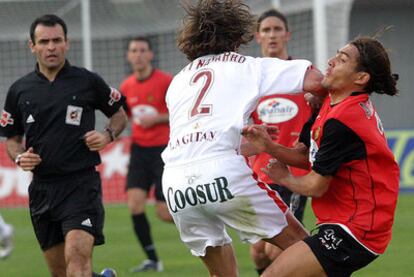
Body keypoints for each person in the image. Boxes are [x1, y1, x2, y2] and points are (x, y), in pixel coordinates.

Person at [160, 1, 326, 276]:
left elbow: (198, 140)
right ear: (237, 33)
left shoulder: (177, 81)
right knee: (309, 252)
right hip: (224, 175)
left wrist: (247, 145)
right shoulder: (246, 66)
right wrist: (319, 96)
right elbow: (316, 81)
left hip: (176, 185)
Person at [242, 36, 399, 277]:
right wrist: (268, 146)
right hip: (347, 223)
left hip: (357, 230)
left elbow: (316, 186)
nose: (331, 61)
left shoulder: (343, 120)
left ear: (360, 78)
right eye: (337, 54)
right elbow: (306, 156)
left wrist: (283, 177)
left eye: (342, 59)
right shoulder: (331, 103)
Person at [0, 14, 127, 277]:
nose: (51, 47)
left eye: (57, 40)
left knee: (78, 262)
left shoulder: (87, 81)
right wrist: (20, 157)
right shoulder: (19, 90)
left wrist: (107, 135)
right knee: (62, 273)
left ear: (67, 43)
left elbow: (119, 114)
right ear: (32, 46)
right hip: (42, 191)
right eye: (44, 41)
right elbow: (11, 139)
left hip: (81, 185)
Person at [246, 9, 313, 275]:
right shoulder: (250, 79)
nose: (272, 35)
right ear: (257, 36)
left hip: (291, 172)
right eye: (266, 30)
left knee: (278, 249)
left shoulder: (304, 76)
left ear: (287, 35)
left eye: (276, 29)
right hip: (259, 174)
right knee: (259, 253)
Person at [120, 36, 173, 273]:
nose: (138, 54)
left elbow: (181, 113)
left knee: (163, 212)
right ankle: (153, 259)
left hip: (164, 151)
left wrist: (158, 118)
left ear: (151, 54)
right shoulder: (126, 86)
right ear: (129, 56)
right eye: (134, 50)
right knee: (134, 204)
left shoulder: (166, 81)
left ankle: (212, 220)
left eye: (143, 50)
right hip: (139, 150)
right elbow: (124, 117)